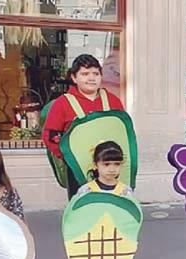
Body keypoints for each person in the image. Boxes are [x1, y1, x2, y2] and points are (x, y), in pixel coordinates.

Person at [42, 54, 125, 199]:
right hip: (77, 170)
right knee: (82, 206)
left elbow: (122, 131)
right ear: (74, 78)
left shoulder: (113, 101)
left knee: (111, 206)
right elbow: (50, 136)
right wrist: (68, 157)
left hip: (110, 168)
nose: (91, 78)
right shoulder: (62, 103)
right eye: (85, 74)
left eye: (95, 74)